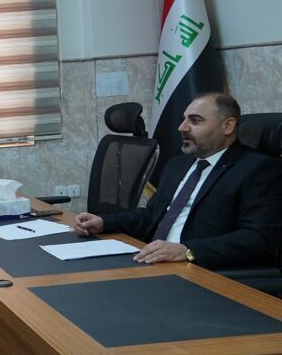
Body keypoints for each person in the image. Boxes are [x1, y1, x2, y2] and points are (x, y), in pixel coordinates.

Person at [73, 92, 282, 269]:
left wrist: (188, 251)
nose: (182, 127)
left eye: (195, 121)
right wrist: (104, 222)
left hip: (200, 269)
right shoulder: (178, 165)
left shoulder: (258, 170)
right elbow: (152, 215)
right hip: (153, 260)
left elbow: (259, 238)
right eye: (184, 119)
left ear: (227, 126)